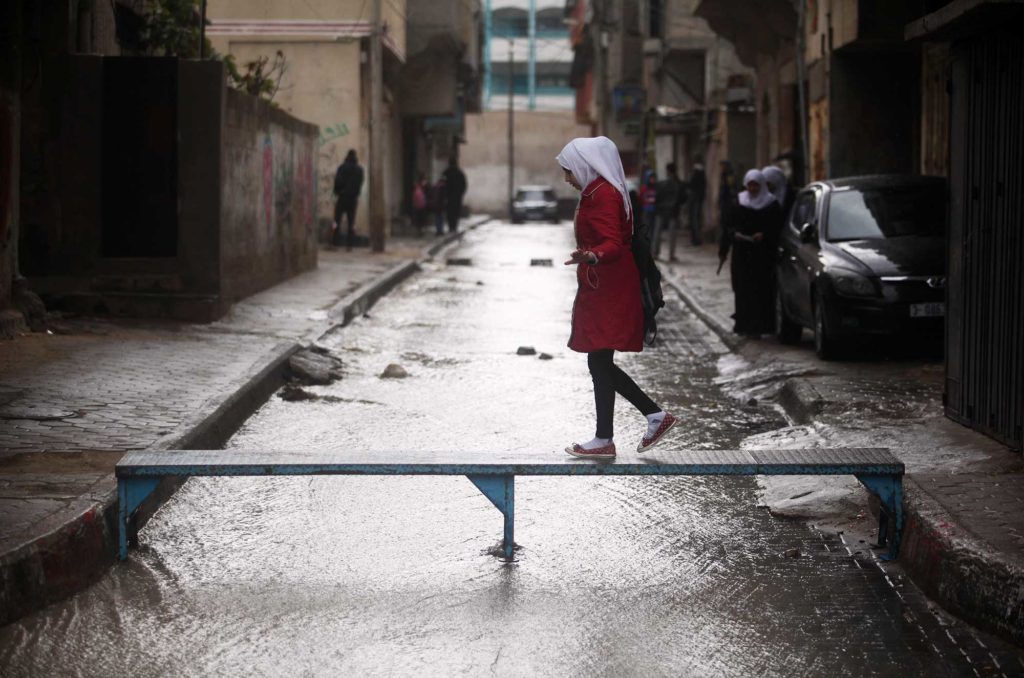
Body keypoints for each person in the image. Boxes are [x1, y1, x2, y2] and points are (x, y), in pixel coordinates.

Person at [556, 136, 678, 459]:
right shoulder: (597, 192)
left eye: (569, 171)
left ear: (584, 165)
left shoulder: (604, 194)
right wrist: (590, 256)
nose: (567, 179)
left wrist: (593, 256)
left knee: (598, 360)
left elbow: (612, 243)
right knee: (600, 361)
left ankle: (630, 426)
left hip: (610, 286)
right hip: (604, 285)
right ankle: (626, 428)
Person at [718, 169, 783, 337]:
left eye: (756, 185)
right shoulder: (738, 202)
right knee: (742, 289)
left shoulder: (771, 204)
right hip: (742, 254)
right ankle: (744, 324)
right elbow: (728, 227)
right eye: (750, 185)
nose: (753, 189)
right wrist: (730, 241)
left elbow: (777, 228)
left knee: (761, 290)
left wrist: (764, 235)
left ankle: (761, 326)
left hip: (762, 255)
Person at [333, 150, 364, 250]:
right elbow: (360, 183)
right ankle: (350, 244)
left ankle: (335, 242)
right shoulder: (359, 170)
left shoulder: (342, 168)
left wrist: (338, 192)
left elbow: (337, 182)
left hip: (342, 197)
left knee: (336, 221)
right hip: (353, 199)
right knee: (352, 222)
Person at [656, 162, 686, 261]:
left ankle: (655, 253)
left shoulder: (661, 184)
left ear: (668, 171)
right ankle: (671, 255)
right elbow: (683, 198)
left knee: (657, 232)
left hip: (661, 211)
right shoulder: (679, 184)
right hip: (673, 212)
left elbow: (657, 196)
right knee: (672, 235)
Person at [442, 158, 467, 233]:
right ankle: (454, 226)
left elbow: (442, 184)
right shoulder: (460, 173)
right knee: (456, 212)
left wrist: (444, 195)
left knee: (450, 212)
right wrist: (461, 193)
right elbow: (464, 185)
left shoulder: (446, 172)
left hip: (449, 197)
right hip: (457, 197)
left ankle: (451, 227)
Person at [639, 172, 659, 255]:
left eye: (653, 178)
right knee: (647, 231)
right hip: (646, 211)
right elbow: (640, 199)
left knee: (654, 232)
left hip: (654, 212)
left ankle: (653, 251)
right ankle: (647, 250)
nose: (652, 180)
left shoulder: (656, 188)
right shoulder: (644, 188)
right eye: (651, 178)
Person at [687, 162, 707, 246]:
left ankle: (696, 239)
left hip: (695, 199)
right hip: (698, 199)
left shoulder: (697, 175)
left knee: (694, 220)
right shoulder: (702, 176)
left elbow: (691, 184)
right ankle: (696, 239)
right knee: (696, 220)